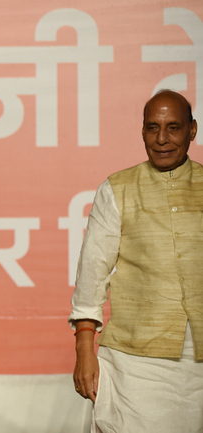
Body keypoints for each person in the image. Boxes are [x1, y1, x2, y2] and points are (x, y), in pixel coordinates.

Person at [70, 90, 203, 432]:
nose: (161, 139)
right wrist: (85, 349)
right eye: (152, 128)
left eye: (173, 128)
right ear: (142, 131)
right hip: (136, 362)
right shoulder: (118, 188)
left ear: (192, 130)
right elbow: (92, 273)